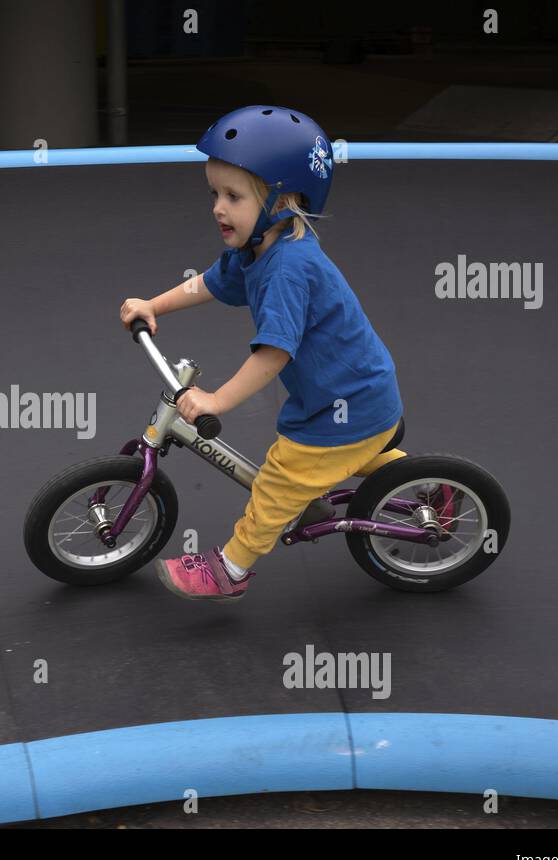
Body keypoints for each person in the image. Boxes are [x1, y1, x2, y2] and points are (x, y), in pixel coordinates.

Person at [118, 105, 406, 603]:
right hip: (356, 395)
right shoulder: (258, 250)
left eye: (233, 195)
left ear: (284, 199)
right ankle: (425, 487)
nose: (217, 207)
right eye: (214, 193)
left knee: (280, 479)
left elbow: (273, 355)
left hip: (346, 406)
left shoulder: (288, 269)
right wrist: (153, 304)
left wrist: (216, 401)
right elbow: (209, 283)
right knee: (348, 460)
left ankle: (230, 570)